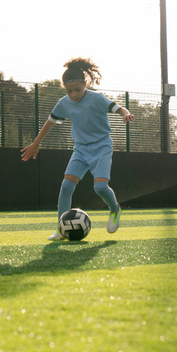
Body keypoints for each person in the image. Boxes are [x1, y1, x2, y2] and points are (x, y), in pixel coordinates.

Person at [21, 58, 135, 240]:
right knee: (66, 186)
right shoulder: (63, 103)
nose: (73, 94)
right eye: (69, 91)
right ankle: (61, 228)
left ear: (85, 84)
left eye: (77, 90)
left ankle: (114, 209)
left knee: (100, 188)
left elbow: (117, 107)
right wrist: (36, 143)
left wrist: (126, 114)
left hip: (102, 147)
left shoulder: (97, 98)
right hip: (80, 150)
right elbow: (50, 122)